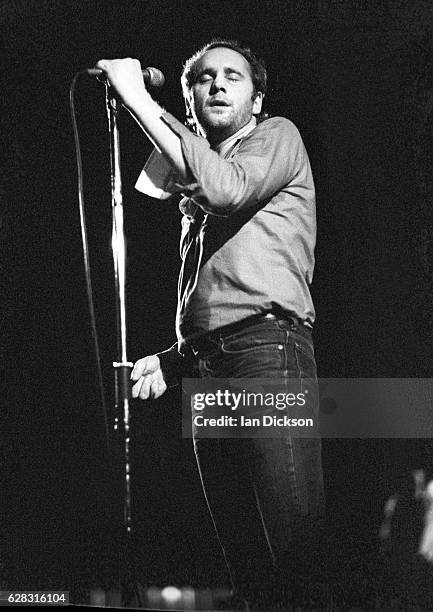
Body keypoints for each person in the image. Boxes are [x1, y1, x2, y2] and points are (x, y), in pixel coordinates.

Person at [96, 39, 325, 610]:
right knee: (246, 563)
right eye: (202, 78)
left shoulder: (277, 137)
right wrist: (173, 359)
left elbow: (228, 190)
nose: (217, 84)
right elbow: (211, 282)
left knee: (292, 554)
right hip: (206, 366)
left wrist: (138, 101)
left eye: (233, 76)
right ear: (191, 98)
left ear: (257, 98)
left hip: (267, 355)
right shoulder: (196, 170)